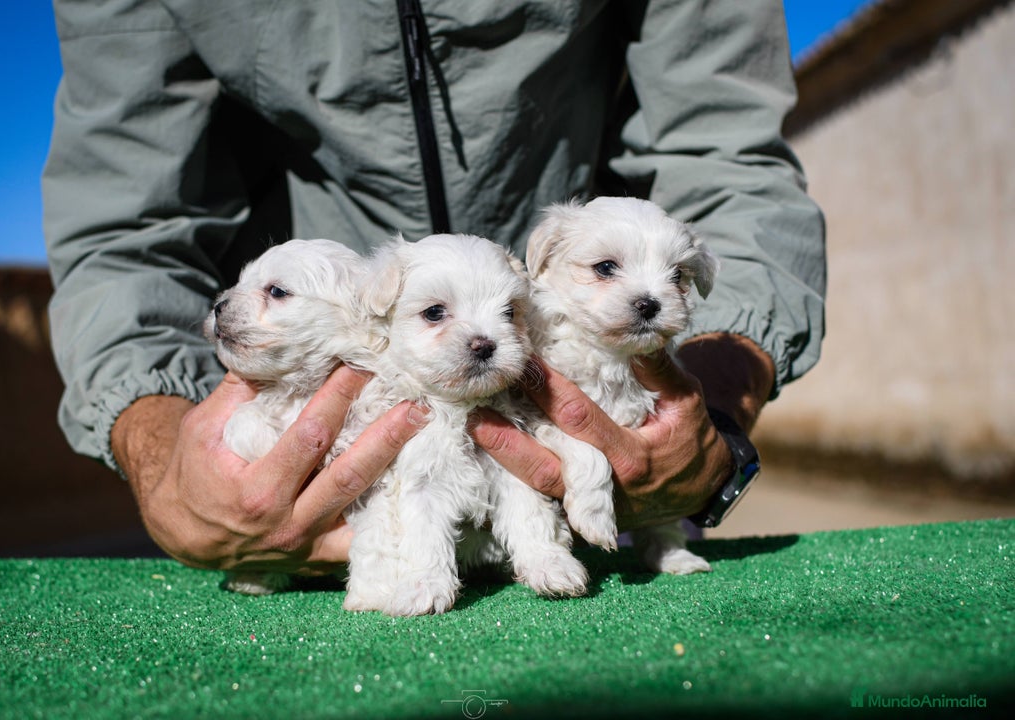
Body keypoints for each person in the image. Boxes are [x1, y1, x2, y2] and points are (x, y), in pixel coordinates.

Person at [42, 1, 825, 578]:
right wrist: (159, 451)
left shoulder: (561, 296)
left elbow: (730, 153)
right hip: (311, 413)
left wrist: (714, 410)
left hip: (567, 373)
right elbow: (122, 221)